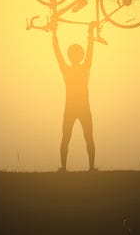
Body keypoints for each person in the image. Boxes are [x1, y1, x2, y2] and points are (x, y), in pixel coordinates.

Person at [48, 19, 97, 172]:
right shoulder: (74, 68)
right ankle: (66, 168)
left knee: (85, 138)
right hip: (74, 108)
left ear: (79, 56)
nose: (76, 56)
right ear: (72, 56)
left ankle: (89, 168)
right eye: (74, 54)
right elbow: (57, 51)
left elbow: (89, 51)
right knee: (68, 138)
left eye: (77, 54)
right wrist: (54, 33)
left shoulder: (80, 67)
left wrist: (90, 33)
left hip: (80, 108)